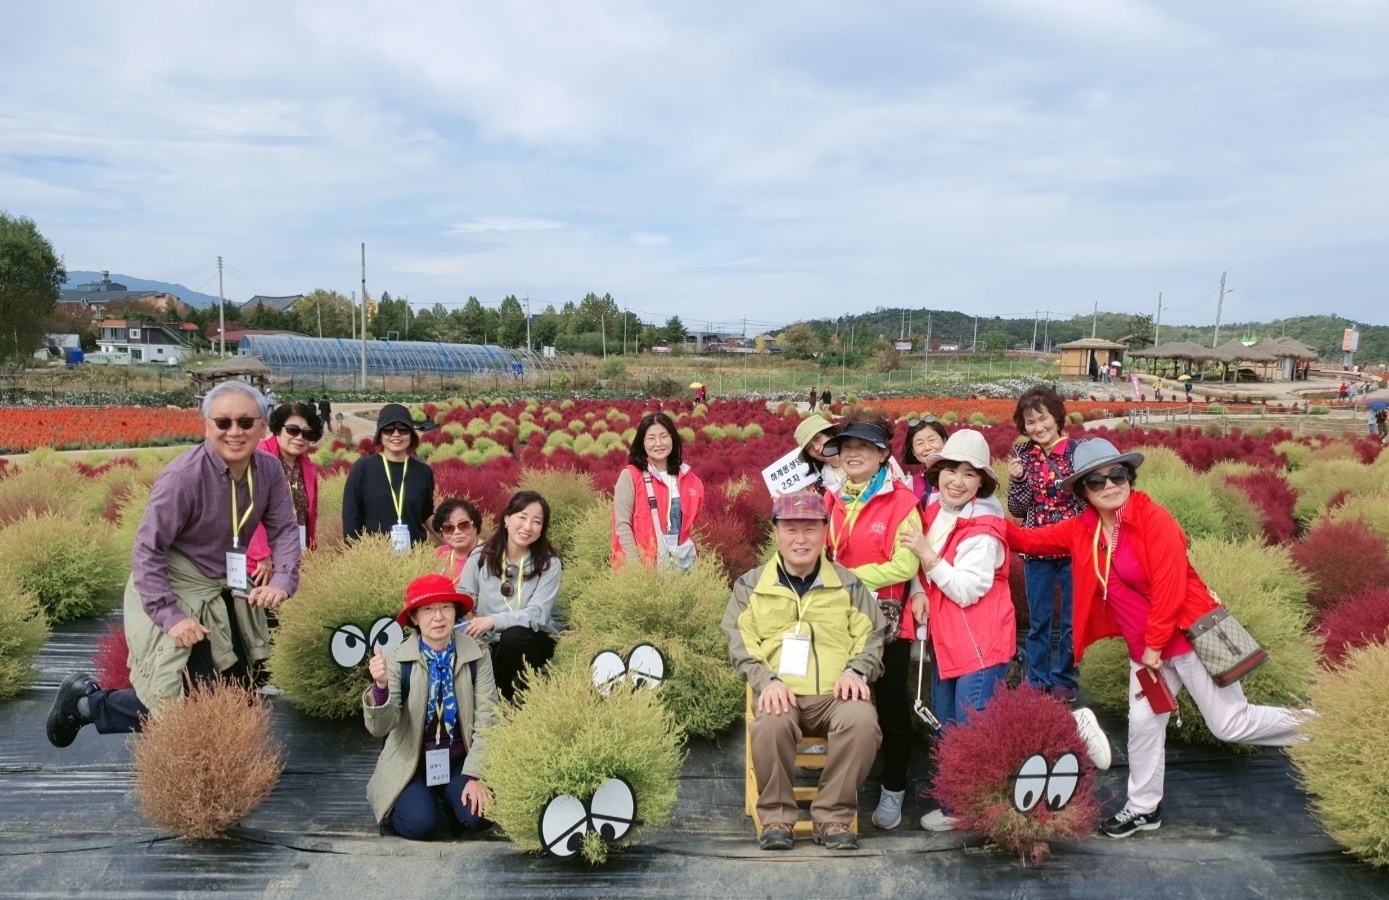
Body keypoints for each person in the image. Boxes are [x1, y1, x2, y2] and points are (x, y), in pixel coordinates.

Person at [1006, 438, 1309, 838]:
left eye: (1117, 475)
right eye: (1096, 481)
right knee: (1144, 726)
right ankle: (1143, 808)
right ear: (1083, 491)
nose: (1109, 485)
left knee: (1230, 724)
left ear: (1129, 477)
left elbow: (1171, 588)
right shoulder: (1085, 529)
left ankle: (1318, 728)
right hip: (1147, 651)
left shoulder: (1154, 519)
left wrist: (1153, 647)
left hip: (1190, 637)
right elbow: (1029, 540)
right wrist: (979, 515)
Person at [47, 382, 301, 746]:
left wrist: (283, 580)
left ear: (263, 426)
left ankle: (219, 754)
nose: (235, 432)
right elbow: (146, 550)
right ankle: (84, 705)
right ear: (207, 426)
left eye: (246, 422)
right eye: (223, 422)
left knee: (240, 682)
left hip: (223, 585)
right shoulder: (184, 477)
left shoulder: (269, 470)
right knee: (182, 698)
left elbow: (285, 529)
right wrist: (171, 617)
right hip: (174, 587)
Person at [723, 490, 885, 852]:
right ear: (776, 532)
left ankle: (833, 815)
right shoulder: (750, 586)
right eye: (791, 529)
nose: (801, 539)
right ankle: (777, 817)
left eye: (810, 529)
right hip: (781, 692)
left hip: (836, 694)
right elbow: (739, 640)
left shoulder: (848, 584)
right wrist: (765, 681)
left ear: (825, 531)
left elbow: (873, 635)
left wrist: (856, 672)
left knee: (862, 721)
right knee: (770, 723)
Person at [900, 429, 1016, 831]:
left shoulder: (983, 528)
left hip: (981, 644)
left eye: (969, 474)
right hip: (949, 640)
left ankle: (969, 809)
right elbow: (917, 566)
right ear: (938, 473)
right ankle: (958, 801)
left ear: (981, 482)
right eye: (951, 470)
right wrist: (918, 590)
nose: (957, 481)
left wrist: (926, 554)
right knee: (947, 724)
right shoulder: (936, 508)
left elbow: (967, 590)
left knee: (971, 728)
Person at [820, 416, 922, 832]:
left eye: (863, 447)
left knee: (892, 706)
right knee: (840, 698)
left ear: (883, 455)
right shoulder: (831, 499)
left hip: (886, 621)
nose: (853, 453)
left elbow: (907, 564)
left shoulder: (903, 502)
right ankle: (839, 787)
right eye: (846, 447)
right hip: (840, 619)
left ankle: (893, 786)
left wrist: (853, 577)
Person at [364, 573, 496, 840]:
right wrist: (380, 687)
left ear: (455, 612)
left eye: (446, 607)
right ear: (414, 617)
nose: (438, 617)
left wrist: (476, 775)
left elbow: (489, 718)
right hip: (411, 762)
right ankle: (412, 800)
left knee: (481, 816)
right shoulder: (397, 660)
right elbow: (381, 728)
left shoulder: (478, 655)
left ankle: (449, 798)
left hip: (460, 761)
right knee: (419, 825)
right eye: (427, 610)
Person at [1005, 387, 1083, 702]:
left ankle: (1064, 678)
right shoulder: (1023, 455)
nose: (1038, 427)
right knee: (1039, 620)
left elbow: (1089, 497)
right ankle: (1037, 680)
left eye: (1043, 418)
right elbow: (1017, 509)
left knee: (1072, 620)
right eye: (1030, 422)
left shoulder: (1077, 451)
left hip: (1073, 549)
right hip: (1036, 549)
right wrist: (1018, 479)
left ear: (1056, 417)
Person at [458, 490, 561, 703]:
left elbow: (538, 615)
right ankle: (508, 700)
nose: (528, 526)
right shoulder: (480, 556)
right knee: (493, 687)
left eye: (537, 522)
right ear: (506, 519)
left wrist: (493, 620)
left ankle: (528, 692)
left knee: (512, 638)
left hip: (531, 640)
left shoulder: (549, 564)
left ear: (542, 529)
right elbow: (462, 596)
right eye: (522, 517)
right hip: (489, 641)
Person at [611, 411, 704, 570]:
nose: (658, 443)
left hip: (681, 563)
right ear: (643, 443)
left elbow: (693, 525)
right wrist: (636, 567)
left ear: (672, 438)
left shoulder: (688, 478)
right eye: (651, 438)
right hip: (643, 568)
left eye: (663, 436)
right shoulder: (631, 476)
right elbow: (622, 525)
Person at [248, 401, 322, 587]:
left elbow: (309, 515)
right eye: (293, 430)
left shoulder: (306, 466)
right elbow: (248, 510)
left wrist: (310, 550)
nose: (300, 438)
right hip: (261, 561)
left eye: (307, 433)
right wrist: (261, 555)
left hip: (294, 553)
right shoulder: (258, 458)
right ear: (278, 429)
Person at [343, 404, 435, 548]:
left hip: (415, 555)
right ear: (380, 434)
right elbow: (351, 515)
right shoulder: (363, 468)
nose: (396, 434)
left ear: (411, 434)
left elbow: (426, 514)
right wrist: (356, 553)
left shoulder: (423, 472)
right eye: (388, 429)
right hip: (375, 555)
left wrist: (456, 540)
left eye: (403, 429)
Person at [900, 415, 949, 505]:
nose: (927, 447)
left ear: (944, 440)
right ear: (913, 451)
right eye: (920, 443)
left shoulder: (957, 477)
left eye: (932, 440)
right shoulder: (911, 484)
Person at [433, 497, 483, 582]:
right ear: (441, 532)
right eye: (449, 528)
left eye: (463, 525)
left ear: (475, 526)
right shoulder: (439, 554)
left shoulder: (491, 555)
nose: (457, 532)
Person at [794, 415, 843, 495]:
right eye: (809, 448)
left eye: (817, 438)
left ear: (830, 432)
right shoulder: (821, 485)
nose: (816, 448)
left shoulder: (861, 457)